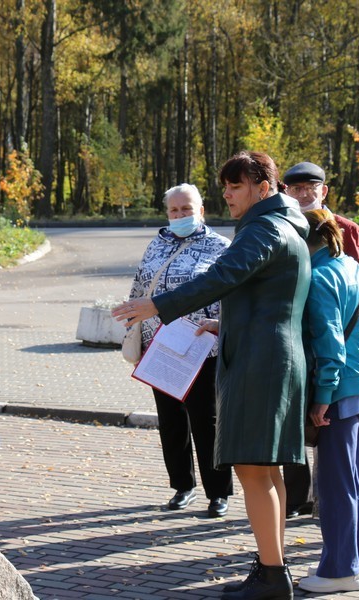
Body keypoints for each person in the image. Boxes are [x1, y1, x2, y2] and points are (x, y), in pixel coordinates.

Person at [114, 151, 311, 600]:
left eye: (235, 185)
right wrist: (227, 324)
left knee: (252, 470)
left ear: (263, 186)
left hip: (260, 363)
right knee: (267, 471)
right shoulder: (287, 226)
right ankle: (270, 566)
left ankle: (272, 576)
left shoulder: (264, 227)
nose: (226, 193)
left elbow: (224, 274)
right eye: (224, 185)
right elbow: (270, 299)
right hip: (271, 354)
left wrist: (157, 305)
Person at [127, 183, 234, 518]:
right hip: (159, 346)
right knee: (171, 421)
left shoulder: (221, 247)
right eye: (174, 210)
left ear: (201, 211)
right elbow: (141, 286)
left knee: (207, 421)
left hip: (202, 348)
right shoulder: (157, 244)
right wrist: (134, 324)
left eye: (186, 209)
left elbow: (230, 294)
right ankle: (182, 486)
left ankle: (218, 492)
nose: (180, 215)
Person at [296, 209, 359, 594]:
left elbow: (331, 349)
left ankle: (339, 571)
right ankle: (355, 564)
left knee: (335, 485)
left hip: (342, 392)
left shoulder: (319, 278)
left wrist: (321, 398)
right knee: (349, 482)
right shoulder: (357, 270)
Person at [281, 161, 359, 518]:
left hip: (333, 347)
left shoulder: (346, 230)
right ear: (286, 192)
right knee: (292, 424)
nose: (304, 195)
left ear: (324, 191)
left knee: (327, 425)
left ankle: (326, 498)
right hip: (295, 342)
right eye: (296, 189)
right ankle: (296, 495)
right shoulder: (284, 230)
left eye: (310, 188)